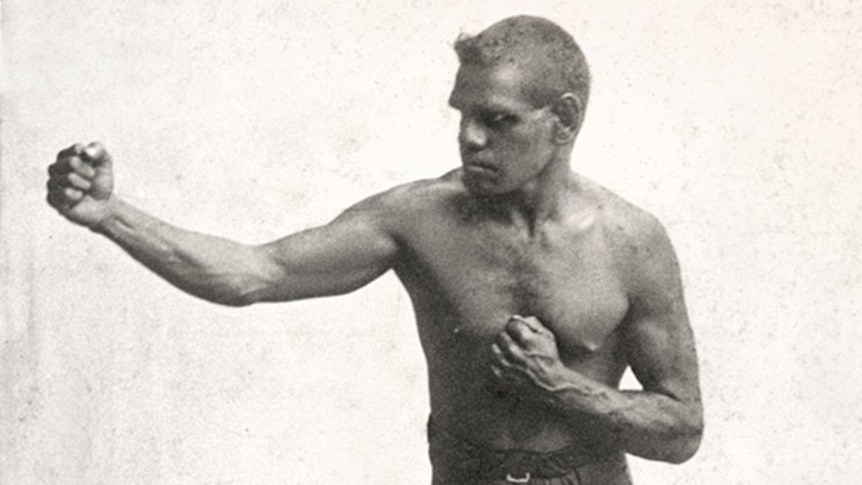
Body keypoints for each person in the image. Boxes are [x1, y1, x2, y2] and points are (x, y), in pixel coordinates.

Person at [46, 15, 702, 485]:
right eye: (463, 115)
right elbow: (256, 272)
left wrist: (560, 386)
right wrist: (110, 215)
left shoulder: (630, 243)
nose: (470, 138)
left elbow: (681, 429)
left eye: (497, 120)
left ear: (563, 119)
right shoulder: (417, 218)